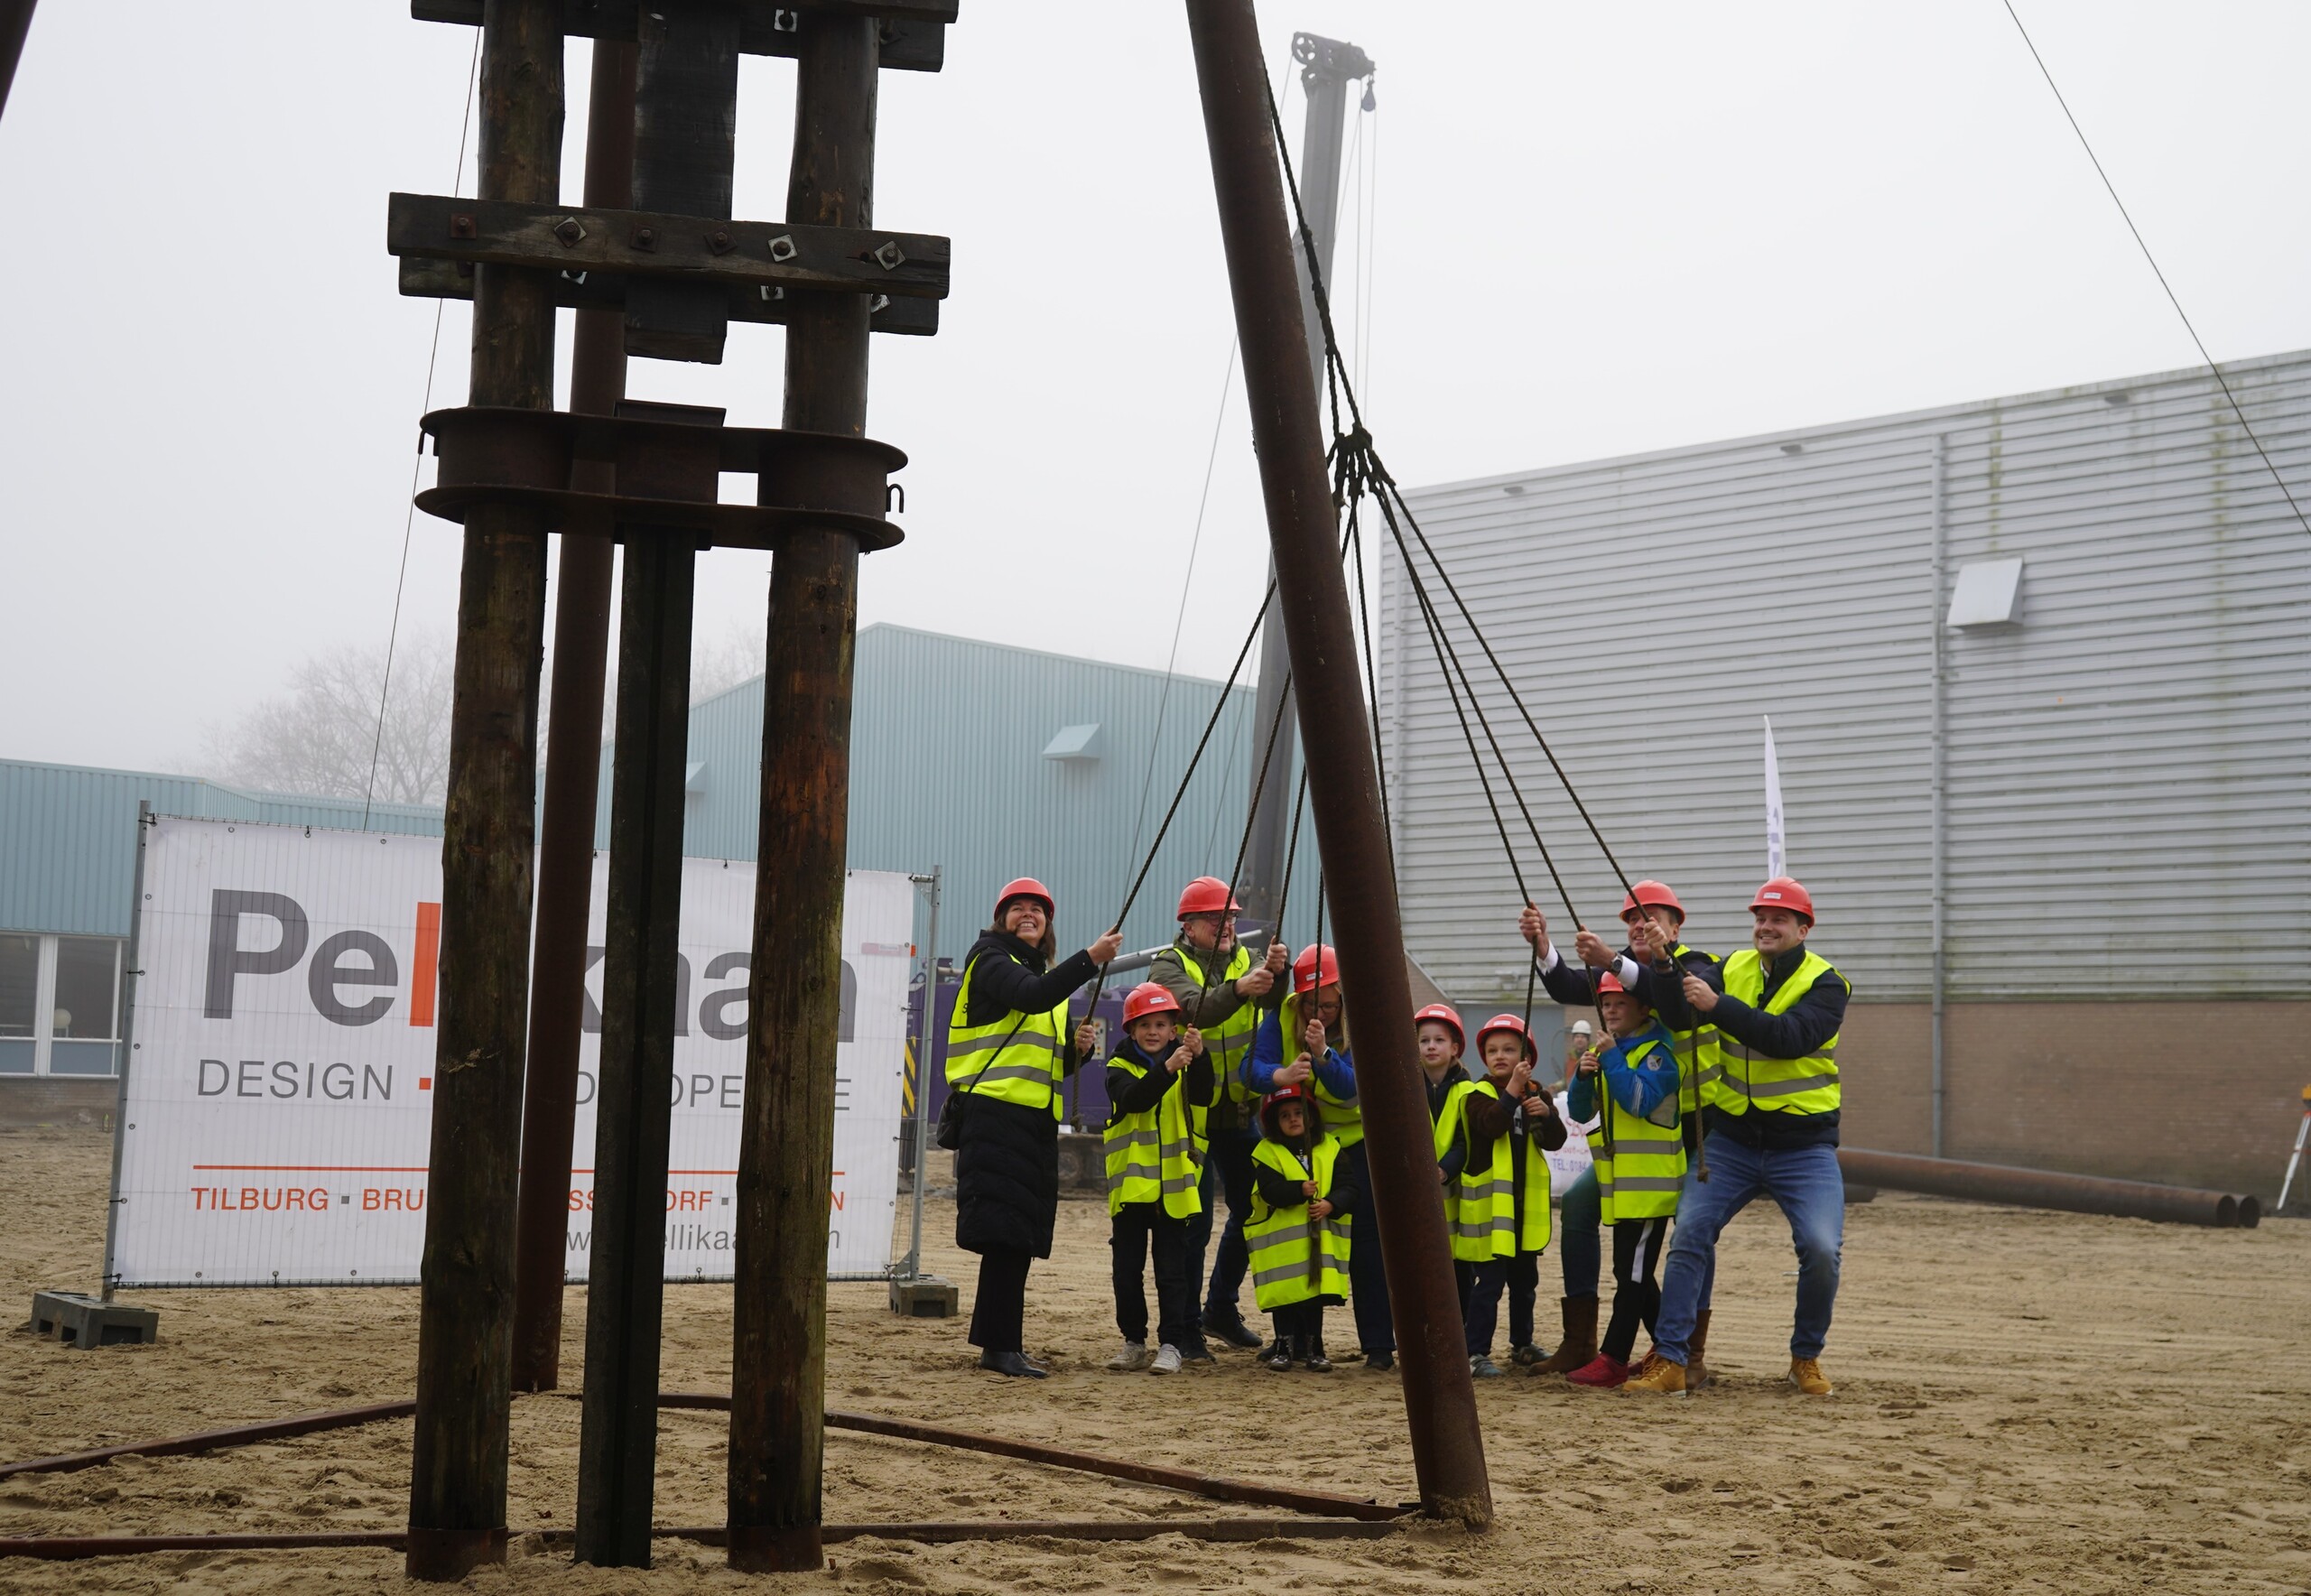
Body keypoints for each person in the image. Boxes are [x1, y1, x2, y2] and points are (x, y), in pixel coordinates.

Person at [1626, 877, 1851, 1397]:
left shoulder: (1828, 983)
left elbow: (1786, 1039)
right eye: (1759, 919)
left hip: (1805, 1147)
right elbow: (1681, 1015)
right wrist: (1662, 962)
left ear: (1803, 929)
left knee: (1821, 1250)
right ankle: (1675, 1361)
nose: (1765, 927)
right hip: (1731, 1142)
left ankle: (1805, 1358)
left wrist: (1716, 1005)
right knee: (1690, 1235)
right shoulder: (1730, 967)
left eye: (1777, 920)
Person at [1517, 882, 1721, 1382]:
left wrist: (1614, 960)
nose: (1639, 925)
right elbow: (1573, 986)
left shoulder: (1700, 965)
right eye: (1632, 918)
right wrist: (1544, 947)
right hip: (1638, 1142)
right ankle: (1581, 1340)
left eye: (1651, 917)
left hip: (1704, 1130)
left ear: (1678, 925)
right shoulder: (1621, 974)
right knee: (1586, 1213)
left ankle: (1684, 1354)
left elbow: (1672, 1000)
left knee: (1692, 1235)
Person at [948, 877, 1122, 1378]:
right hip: (995, 1114)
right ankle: (1000, 1348)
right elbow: (1033, 997)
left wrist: (1076, 1053)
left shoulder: (1032, 969)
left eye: (1038, 909)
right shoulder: (991, 961)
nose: (1029, 915)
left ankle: (1003, 1344)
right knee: (1006, 1236)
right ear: (1001, 917)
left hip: (1027, 1119)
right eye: (1018, 908)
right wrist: (1091, 957)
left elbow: (1043, 1060)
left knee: (1016, 1236)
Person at [1146, 876, 1289, 1352]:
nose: (1227, 925)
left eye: (1231, 916)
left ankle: (1219, 1310)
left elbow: (1271, 1002)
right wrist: (1245, 987)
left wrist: (1277, 973)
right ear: (1188, 925)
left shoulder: (1245, 960)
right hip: (1191, 1116)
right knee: (1194, 1222)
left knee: (1255, 1207)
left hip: (1239, 1110)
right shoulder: (1168, 966)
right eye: (1215, 918)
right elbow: (1194, 1009)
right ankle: (1185, 1328)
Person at [1248, 945, 1395, 1369]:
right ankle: (1291, 1339)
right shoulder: (1279, 1020)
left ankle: (1378, 1345)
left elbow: (1352, 1088)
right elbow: (1250, 1069)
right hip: (1296, 1145)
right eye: (1312, 1003)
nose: (1322, 1011)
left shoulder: (1359, 1024)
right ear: (1298, 999)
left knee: (1365, 1242)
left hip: (1349, 1146)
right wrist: (1281, 1075)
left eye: (1329, 1003)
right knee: (1286, 1237)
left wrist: (1324, 1054)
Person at [1561, 973, 1684, 1389]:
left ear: (1645, 1008)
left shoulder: (1658, 1053)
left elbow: (1636, 1101)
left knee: (1631, 1275)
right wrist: (1582, 1077)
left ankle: (1613, 1357)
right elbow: (1580, 1113)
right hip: (1625, 1185)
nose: (1610, 1011)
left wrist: (1611, 1060)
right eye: (1605, 1004)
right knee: (1630, 1270)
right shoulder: (1609, 1050)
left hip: (1651, 1186)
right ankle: (1670, 1348)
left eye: (1620, 1004)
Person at [1100, 982, 1216, 1376]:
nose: (1153, 1031)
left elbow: (1204, 1096)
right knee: (1127, 1271)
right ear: (1130, 1031)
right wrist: (1169, 1068)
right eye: (1144, 1024)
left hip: (1174, 1188)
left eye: (1162, 1024)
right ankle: (1134, 1341)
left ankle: (1172, 1343)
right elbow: (1134, 1099)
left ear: (1174, 1030)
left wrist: (1200, 1058)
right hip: (1133, 1189)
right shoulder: (1118, 1069)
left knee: (1172, 1272)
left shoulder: (1186, 1063)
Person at [1416, 1004, 1517, 1378]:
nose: (1430, 1047)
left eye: (1438, 1040)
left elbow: (1464, 1139)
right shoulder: (1406, 1086)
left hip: (1455, 1195)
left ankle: (1460, 1344)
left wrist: (1445, 1169)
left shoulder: (1468, 1089)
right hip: (1417, 1195)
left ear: (1455, 1047)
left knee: (1459, 1274)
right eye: (1423, 1040)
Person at [1472, 1014, 1568, 1366]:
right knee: (1488, 1286)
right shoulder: (1477, 1094)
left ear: (1525, 1057)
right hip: (1493, 1214)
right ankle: (1477, 1350)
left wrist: (1547, 1114)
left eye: (1509, 1050)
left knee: (1524, 1285)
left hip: (1524, 1212)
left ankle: (1522, 1343)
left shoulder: (1537, 1094)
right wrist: (1512, 1091)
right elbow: (1491, 1126)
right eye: (1493, 1050)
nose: (1500, 1056)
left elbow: (1554, 1142)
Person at [1246, 1084, 1355, 1371]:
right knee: (1285, 1301)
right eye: (1285, 1115)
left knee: (1312, 1301)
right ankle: (1283, 1347)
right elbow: (1270, 1191)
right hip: (1283, 1251)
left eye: (1298, 1112)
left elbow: (1349, 1186)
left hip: (1318, 1245)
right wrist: (1299, 1190)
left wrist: (1332, 1204)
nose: (1293, 1119)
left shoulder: (1331, 1147)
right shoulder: (1267, 1152)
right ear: (1274, 1123)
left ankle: (1314, 1348)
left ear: (1311, 1117)